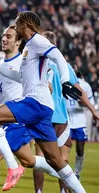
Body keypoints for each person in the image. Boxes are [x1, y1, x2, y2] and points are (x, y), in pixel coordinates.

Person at [0, 11, 86, 192]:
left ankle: (13, 167)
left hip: (35, 102)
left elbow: (59, 57)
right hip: (42, 108)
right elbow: (19, 76)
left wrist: (65, 81)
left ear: (25, 24)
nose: (15, 26)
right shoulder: (28, 48)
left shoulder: (37, 41)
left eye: (17, 23)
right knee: (55, 160)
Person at [0, 25, 59, 193]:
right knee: (29, 161)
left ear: (18, 42)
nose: (4, 39)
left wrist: (44, 87)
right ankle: (64, 174)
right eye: (3, 36)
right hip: (3, 118)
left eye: (9, 36)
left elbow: (44, 84)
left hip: (16, 118)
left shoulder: (23, 62)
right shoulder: (0, 63)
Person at [33, 31, 99, 193]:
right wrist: (94, 110)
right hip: (61, 118)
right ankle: (64, 191)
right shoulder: (65, 66)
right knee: (62, 159)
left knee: (39, 159)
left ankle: (39, 192)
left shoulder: (36, 64)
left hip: (43, 117)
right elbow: (79, 92)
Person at [67, 69, 94, 179]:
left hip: (80, 121)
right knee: (65, 148)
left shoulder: (85, 85)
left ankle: (77, 172)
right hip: (67, 120)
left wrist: (83, 102)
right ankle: (66, 173)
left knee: (80, 148)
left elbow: (91, 103)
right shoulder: (64, 81)